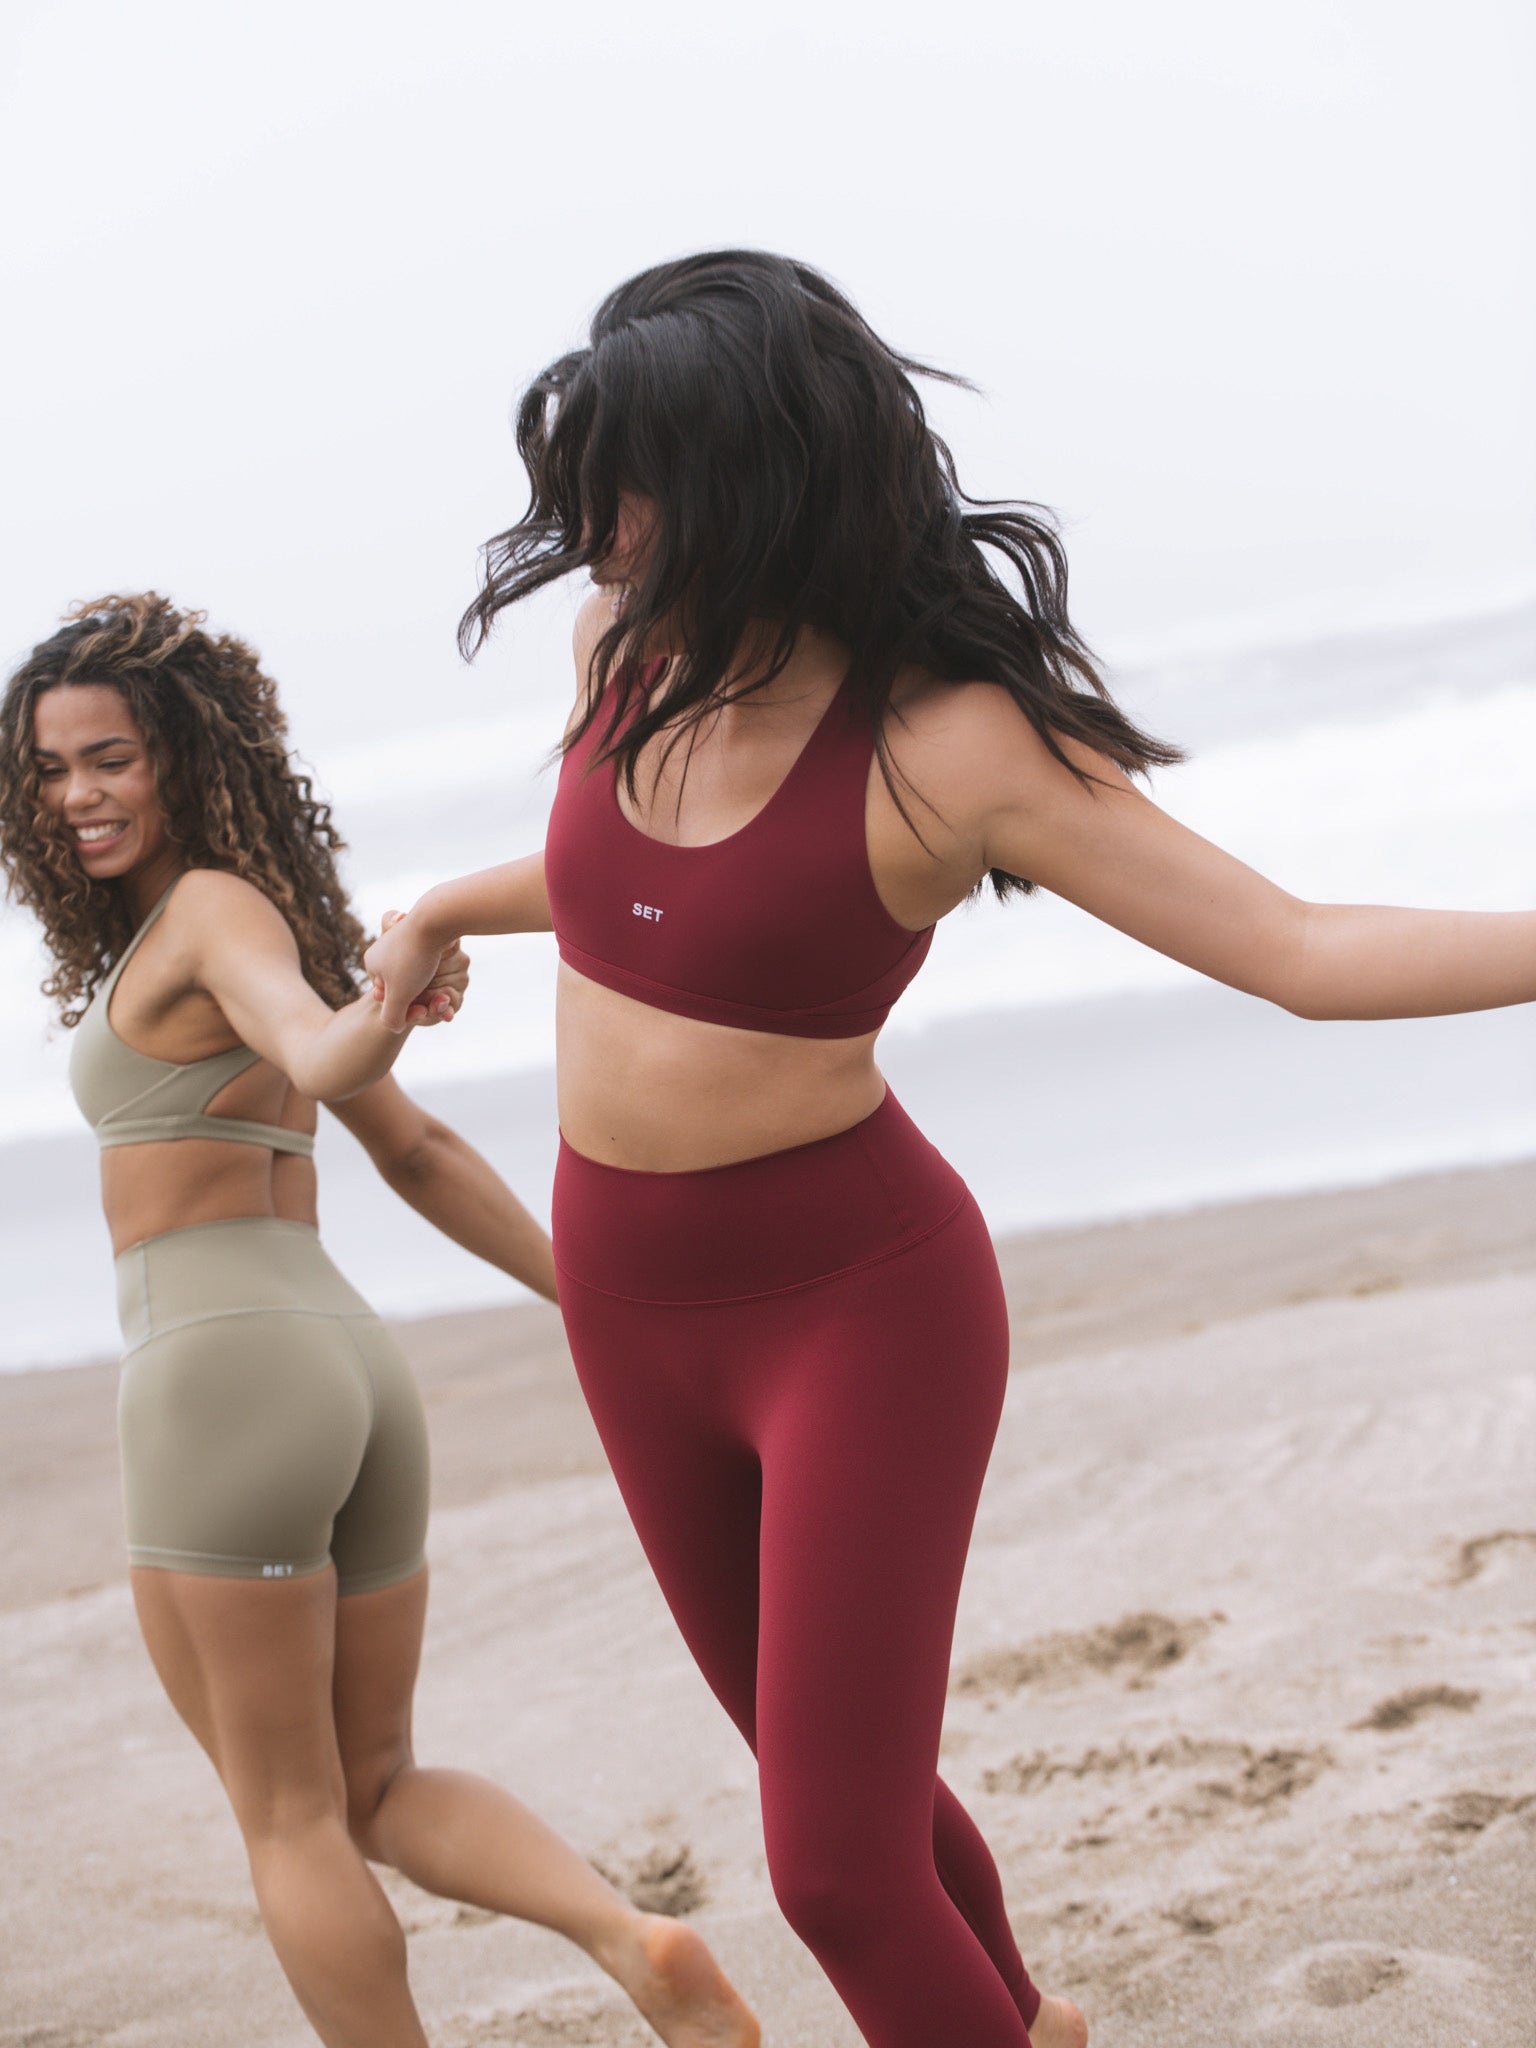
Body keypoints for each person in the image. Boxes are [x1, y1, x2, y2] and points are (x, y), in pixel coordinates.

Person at [364, 250, 1536, 2048]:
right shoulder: (625, 650)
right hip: (624, 1295)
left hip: (853, 1309)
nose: (586, 528)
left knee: (828, 1868)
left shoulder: (948, 741)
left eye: (624, 482)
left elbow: (1303, 953)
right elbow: (649, 895)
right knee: (863, 1800)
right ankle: (1027, 2027)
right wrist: (450, 898)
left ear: (750, 475)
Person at [0, 592, 761, 2048]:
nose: (76, 795)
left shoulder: (210, 916)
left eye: (108, 758)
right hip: (346, 1368)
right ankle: (634, 1937)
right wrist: (597, 1298)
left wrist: (392, 992)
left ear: (180, 755)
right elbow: (412, 1152)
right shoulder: (247, 918)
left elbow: (324, 1047)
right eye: (49, 770)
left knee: (287, 1818)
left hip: (222, 1381)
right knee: (376, 1786)